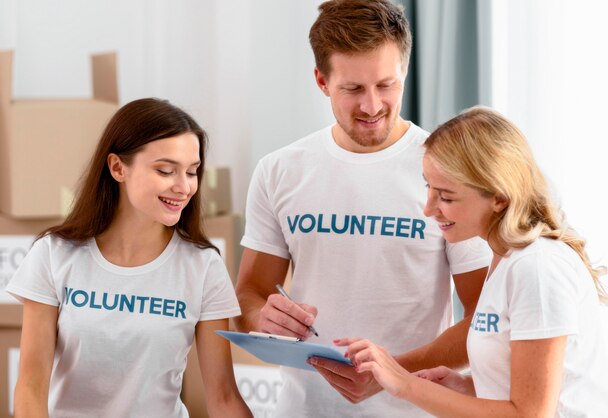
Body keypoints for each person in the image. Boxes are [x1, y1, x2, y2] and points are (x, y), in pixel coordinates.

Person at [234, 1, 492, 416]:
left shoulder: (448, 172)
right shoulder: (279, 170)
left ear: (405, 73)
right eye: (352, 89)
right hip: (302, 409)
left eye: (386, 85)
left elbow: (486, 320)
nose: (372, 106)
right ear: (321, 80)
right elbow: (249, 293)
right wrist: (261, 318)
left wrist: (391, 373)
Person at [339, 107, 608, 417]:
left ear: (499, 198)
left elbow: (529, 415)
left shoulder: (537, 268)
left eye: (446, 196)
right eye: (429, 188)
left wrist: (404, 384)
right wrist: (467, 387)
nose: (429, 208)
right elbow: (525, 389)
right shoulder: (505, 261)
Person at [6, 98, 252, 418]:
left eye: (192, 172)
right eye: (166, 170)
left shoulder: (203, 267)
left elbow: (223, 396)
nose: (184, 187)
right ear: (118, 167)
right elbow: (30, 387)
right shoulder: (54, 254)